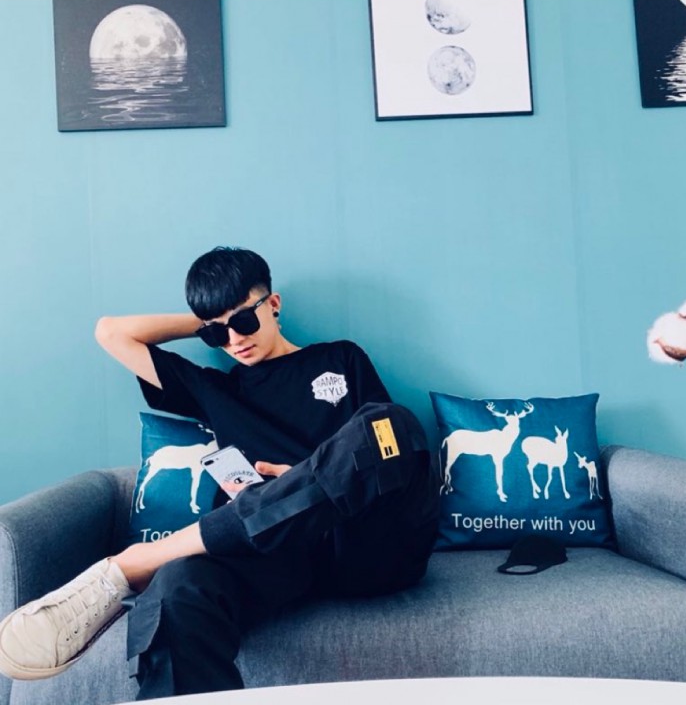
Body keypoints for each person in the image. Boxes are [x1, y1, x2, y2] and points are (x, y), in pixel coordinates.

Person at [0, 246, 440, 699]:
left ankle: (140, 561)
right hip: (277, 553)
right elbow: (111, 333)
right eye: (217, 334)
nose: (234, 340)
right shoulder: (212, 389)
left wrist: (299, 476)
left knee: (391, 425)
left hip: (367, 542)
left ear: (273, 304)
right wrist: (208, 320)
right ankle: (174, 567)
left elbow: (385, 454)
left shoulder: (340, 357)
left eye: (244, 322)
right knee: (177, 586)